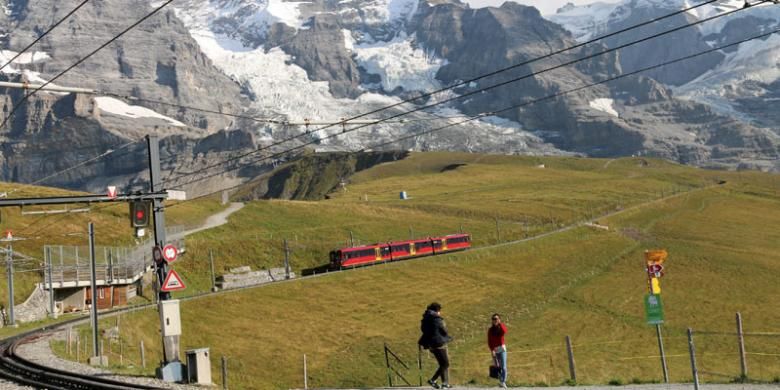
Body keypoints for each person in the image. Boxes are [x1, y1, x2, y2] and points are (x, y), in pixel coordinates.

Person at [418, 302, 452, 389]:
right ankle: (433, 380)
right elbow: (443, 330)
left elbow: (423, 330)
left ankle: (444, 383)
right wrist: (447, 336)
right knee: (445, 364)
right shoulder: (436, 318)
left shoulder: (425, 318)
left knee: (442, 364)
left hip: (430, 343)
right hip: (438, 342)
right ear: (437, 310)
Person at [487, 313, 508, 388]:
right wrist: (492, 350)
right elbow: (489, 341)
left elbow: (505, 331)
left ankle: (503, 381)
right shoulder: (490, 330)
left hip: (502, 349)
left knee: (504, 366)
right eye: (493, 319)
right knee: (497, 366)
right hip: (495, 349)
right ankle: (501, 381)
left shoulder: (501, 328)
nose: (494, 320)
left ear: (499, 319)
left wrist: (500, 323)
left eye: (496, 319)